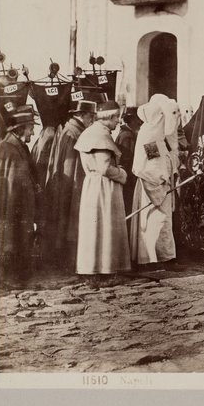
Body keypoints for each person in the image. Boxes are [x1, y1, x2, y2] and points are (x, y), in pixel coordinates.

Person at [74, 100, 131, 283]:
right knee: (104, 228)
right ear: (110, 117)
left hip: (93, 186)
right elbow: (105, 168)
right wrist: (122, 173)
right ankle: (105, 271)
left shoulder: (93, 132)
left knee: (94, 229)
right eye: (117, 118)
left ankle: (91, 269)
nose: (118, 123)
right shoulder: (100, 136)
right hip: (103, 188)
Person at [42, 99, 96, 270]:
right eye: (91, 117)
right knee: (70, 221)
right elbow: (72, 165)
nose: (92, 121)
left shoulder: (69, 129)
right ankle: (67, 260)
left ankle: (63, 258)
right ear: (84, 116)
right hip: (71, 184)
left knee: (64, 220)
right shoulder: (75, 133)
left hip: (65, 185)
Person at [131, 95, 179, 268]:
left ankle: (165, 256)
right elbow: (151, 165)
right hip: (152, 185)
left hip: (161, 184)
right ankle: (155, 259)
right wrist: (162, 179)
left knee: (163, 221)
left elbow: (165, 157)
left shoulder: (156, 135)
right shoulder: (150, 135)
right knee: (155, 221)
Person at [0, 106, 40, 287]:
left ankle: (16, 276)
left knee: (17, 238)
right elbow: (13, 184)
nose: (32, 131)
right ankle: (9, 278)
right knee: (11, 239)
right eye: (31, 127)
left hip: (19, 205)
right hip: (13, 206)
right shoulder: (9, 149)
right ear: (20, 129)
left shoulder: (18, 146)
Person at [115, 106, 140, 213]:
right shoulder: (127, 136)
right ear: (132, 121)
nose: (139, 123)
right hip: (128, 178)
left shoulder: (125, 133)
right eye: (137, 120)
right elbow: (127, 159)